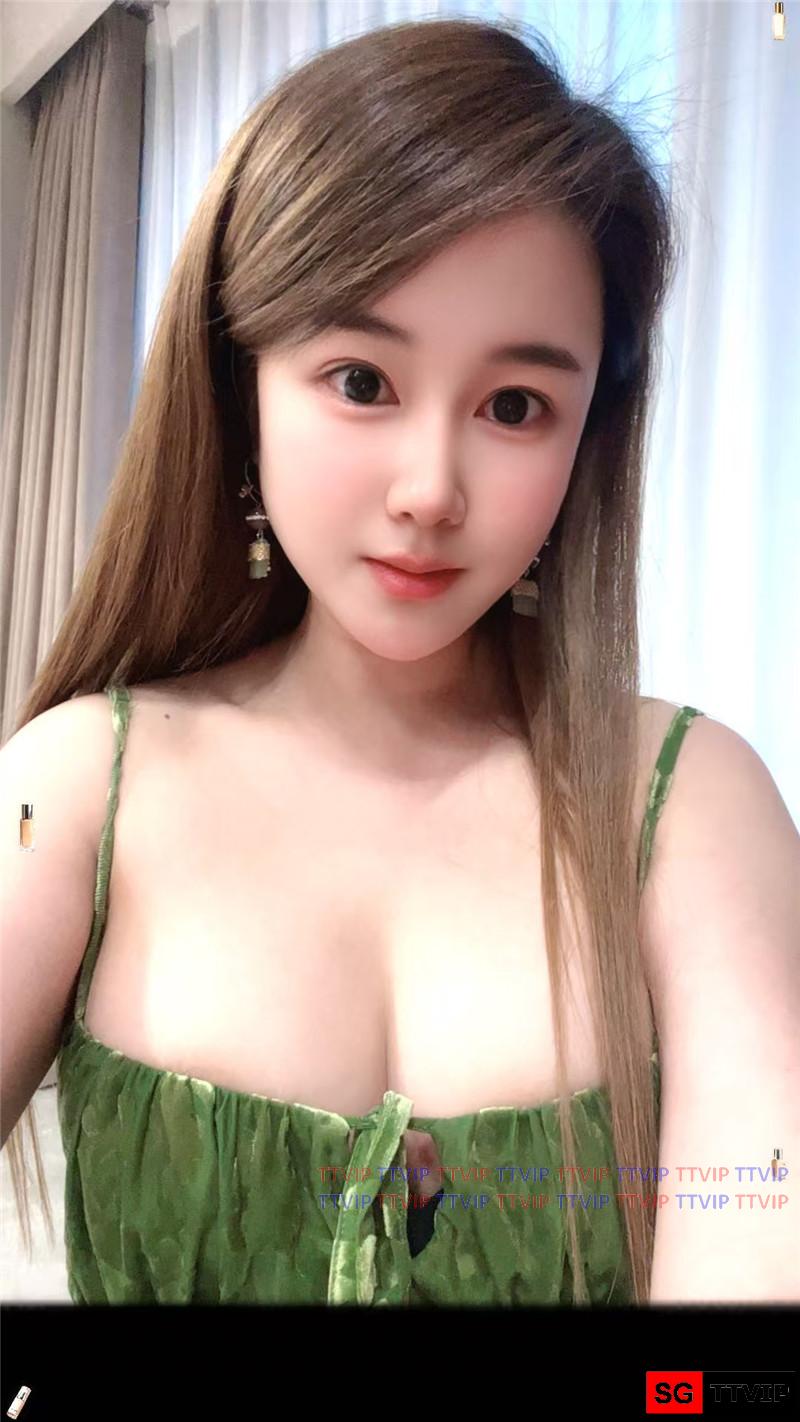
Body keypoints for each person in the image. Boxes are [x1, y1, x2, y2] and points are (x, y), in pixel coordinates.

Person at [3, 15, 796, 1307]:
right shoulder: (75, 789)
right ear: (241, 384)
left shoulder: (686, 806)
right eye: (362, 380)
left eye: (515, 406)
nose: (432, 489)